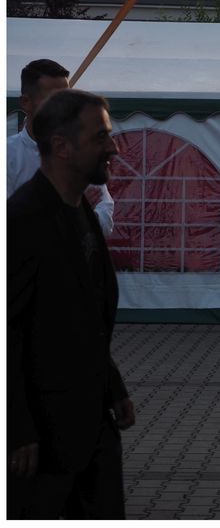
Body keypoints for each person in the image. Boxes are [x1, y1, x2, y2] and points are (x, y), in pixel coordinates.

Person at [7, 89, 135, 519]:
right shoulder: (22, 221)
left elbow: (85, 313)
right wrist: (16, 429)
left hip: (91, 424)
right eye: (100, 137)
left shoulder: (81, 211)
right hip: (41, 439)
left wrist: (113, 386)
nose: (113, 148)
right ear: (61, 146)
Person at [7, 59, 115, 238]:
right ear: (26, 102)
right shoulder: (8, 156)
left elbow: (105, 216)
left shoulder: (80, 150)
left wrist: (88, 217)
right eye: (54, 100)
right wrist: (78, 213)